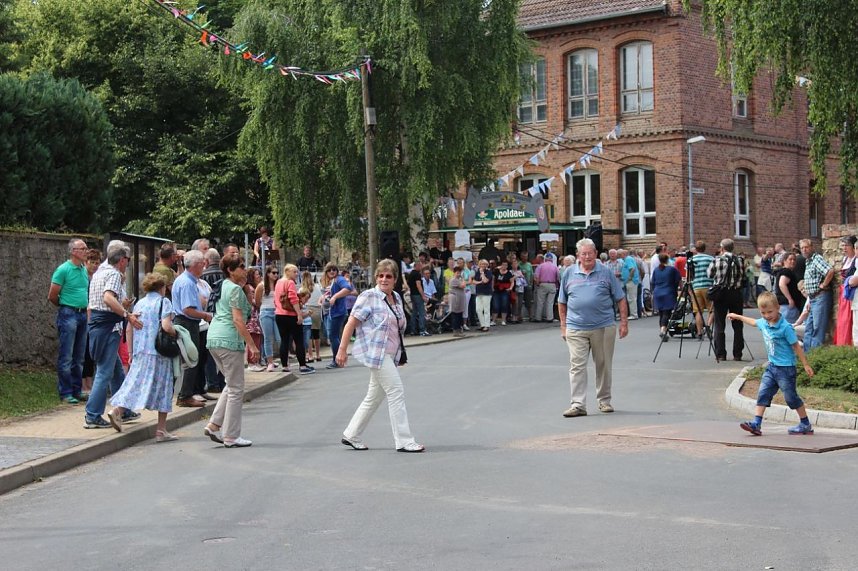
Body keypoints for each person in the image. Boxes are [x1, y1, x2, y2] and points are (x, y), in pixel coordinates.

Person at [337, 259, 424, 453]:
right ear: (376, 277)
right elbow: (351, 323)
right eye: (380, 275)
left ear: (394, 280)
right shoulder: (369, 296)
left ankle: (351, 434)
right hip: (376, 354)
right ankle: (404, 440)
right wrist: (342, 349)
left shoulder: (396, 298)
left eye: (389, 276)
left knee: (374, 396)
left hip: (390, 354)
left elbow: (397, 329)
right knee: (396, 392)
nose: (384, 279)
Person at [558, 238, 628, 417]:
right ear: (578, 256)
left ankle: (604, 400)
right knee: (577, 365)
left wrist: (623, 323)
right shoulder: (568, 273)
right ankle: (578, 404)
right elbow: (562, 302)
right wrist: (563, 326)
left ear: (596, 254)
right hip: (575, 327)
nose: (587, 256)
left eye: (590, 253)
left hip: (603, 326)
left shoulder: (606, 273)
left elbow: (620, 298)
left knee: (603, 365)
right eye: (584, 254)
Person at [729, 292, 815, 436]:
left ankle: (805, 423)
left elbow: (796, 346)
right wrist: (737, 316)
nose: (767, 315)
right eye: (763, 313)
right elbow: (753, 322)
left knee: (791, 398)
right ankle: (756, 424)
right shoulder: (764, 323)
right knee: (763, 393)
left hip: (786, 369)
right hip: (772, 367)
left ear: (778, 308)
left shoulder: (786, 327)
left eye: (770, 312)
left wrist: (805, 364)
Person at [107, 273, 179, 442]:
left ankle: (117, 410)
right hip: (159, 352)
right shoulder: (164, 302)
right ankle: (161, 430)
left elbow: (130, 329)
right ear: (161, 287)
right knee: (164, 388)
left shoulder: (140, 303)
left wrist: (131, 352)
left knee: (136, 383)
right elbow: (166, 326)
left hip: (140, 351)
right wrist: (178, 333)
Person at [203, 254, 260, 448]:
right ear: (230, 270)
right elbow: (237, 320)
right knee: (236, 388)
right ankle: (231, 435)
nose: (245, 270)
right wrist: (252, 345)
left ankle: (214, 424)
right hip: (229, 340)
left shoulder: (222, 285)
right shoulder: (234, 289)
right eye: (241, 267)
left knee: (231, 383)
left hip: (214, 338)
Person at [84, 245, 143, 428]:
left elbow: (98, 303)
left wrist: (121, 307)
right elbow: (108, 298)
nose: (128, 264)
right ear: (122, 260)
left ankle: (123, 409)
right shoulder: (115, 275)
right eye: (128, 260)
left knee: (116, 370)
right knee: (104, 372)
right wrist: (127, 314)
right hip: (108, 328)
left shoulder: (99, 273)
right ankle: (92, 415)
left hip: (99, 327)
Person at [48, 238, 90, 404]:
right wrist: (66, 306)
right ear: (73, 251)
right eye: (83, 248)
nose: (86, 251)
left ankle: (76, 389)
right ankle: (65, 392)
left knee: (79, 356)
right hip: (69, 313)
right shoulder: (63, 269)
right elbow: (52, 295)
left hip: (82, 314)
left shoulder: (83, 269)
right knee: (66, 355)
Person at [171, 250, 212, 407]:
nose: (204, 266)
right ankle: (185, 395)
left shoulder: (187, 280)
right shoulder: (187, 283)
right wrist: (206, 315)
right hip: (187, 323)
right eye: (202, 263)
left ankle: (186, 393)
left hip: (186, 322)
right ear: (195, 265)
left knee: (191, 358)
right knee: (191, 359)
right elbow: (188, 310)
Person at [706, 238, 747, 362]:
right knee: (738, 324)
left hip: (721, 294)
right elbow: (743, 276)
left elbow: (709, 274)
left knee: (719, 324)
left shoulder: (717, 260)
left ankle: (720, 353)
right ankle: (737, 353)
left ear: (722, 248)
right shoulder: (740, 260)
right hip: (735, 293)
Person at [274, 264, 315, 375]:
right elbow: (293, 299)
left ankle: (285, 366)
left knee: (285, 340)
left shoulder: (278, 282)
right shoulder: (289, 282)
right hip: (290, 315)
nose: (296, 274)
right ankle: (302, 365)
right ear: (287, 271)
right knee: (299, 340)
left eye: (297, 272)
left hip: (279, 314)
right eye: (294, 272)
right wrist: (299, 314)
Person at [800, 238, 835, 350]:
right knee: (809, 329)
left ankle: (814, 358)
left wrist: (824, 285)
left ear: (812, 247)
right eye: (802, 248)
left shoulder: (816, 259)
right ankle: (806, 358)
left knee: (817, 329)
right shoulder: (808, 261)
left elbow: (830, 271)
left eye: (806, 247)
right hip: (813, 298)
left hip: (820, 296)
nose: (804, 250)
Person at [321, 262, 355, 369]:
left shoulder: (339, 279)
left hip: (337, 312)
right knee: (332, 336)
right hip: (329, 312)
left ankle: (337, 360)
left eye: (334, 269)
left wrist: (335, 296)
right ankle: (339, 358)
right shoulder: (331, 281)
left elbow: (348, 288)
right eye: (329, 270)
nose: (332, 271)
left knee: (333, 336)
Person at [255, 265, 281, 372]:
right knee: (267, 338)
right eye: (273, 273)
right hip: (266, 311)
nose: (275, 275)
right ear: (268, 274)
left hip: (277, 311)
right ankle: (270, 362)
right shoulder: (261, 286)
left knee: (279, 338)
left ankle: (281, 358)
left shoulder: (278, 285)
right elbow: (257, 301)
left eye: (276, 273)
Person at [651, 253, 681, 341]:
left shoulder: (656, 270)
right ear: (667, 260)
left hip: (657, 292)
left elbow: (653, 282)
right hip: (668, 292)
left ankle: (662, 330)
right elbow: (677, 280)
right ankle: (663, 330)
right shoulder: (672, 269)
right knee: (666, 313)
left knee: (661, 313)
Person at [834, 236, 857, 346]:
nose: (844, 248)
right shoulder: (845, 259)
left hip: (851, 293)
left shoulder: (855, 261)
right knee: (842, 321)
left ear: (853, 247)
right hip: (843, 292)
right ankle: (841, 345)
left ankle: (849, 344)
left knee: (849, 320)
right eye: (843, 245)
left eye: (847, 245)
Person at [689, 240, 715, 338]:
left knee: (698, 311)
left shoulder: (691, 259)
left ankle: (699, 332)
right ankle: (708, 325)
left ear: (696, 249)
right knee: (712, 310)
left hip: (696, 287)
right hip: (708, 286)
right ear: (705, 248)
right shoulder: (710, 259)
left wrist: (690, 288)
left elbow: (689, 275)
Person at [775, 252, 805, 325]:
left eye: (794, 260)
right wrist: (790, 299)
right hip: (787, 306)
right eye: (790, 259)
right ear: (784, 261)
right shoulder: (787, 271)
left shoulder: (782, 271)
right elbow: (782, 284)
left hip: (783, 304)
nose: (793, 261)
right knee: (789, 328)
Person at [533, 252, 559, 322]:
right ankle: (549, 318)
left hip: (542, 284)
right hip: (552, 284)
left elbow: (536, 276)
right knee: (550, 302)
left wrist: (538, 283)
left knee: (540, 302)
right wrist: (556, 285)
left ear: (545, 258)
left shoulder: (540, 266)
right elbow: (558, 277)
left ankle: (538, 317)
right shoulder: (555, 267)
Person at [405, 261, 429, 336]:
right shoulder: (417, 274)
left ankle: (413, 330)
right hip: (418, 295)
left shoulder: (411, 274)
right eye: (420, 266)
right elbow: (418, 285)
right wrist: (423, 296)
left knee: (414, 313)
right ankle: (422, 330)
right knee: (422, 312)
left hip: (412, 294)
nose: (421, 268)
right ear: (417, 266)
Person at [473, 259, 493, 331]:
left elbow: (485, 281)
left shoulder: (489, 272)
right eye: (481, 264)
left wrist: (482, 273)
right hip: (479, 293)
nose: (483, 265)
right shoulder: (477, 272)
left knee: (486, 309)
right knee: (478, 309)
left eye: (484, 264)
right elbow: (474, 281)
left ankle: (487, 325)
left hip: (487, 293)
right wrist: (479, 282)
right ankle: (482, 324)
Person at [448, 265, 467, 336]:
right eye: (457, 273)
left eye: (460, 272)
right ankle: (456, 331)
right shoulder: (454, 280)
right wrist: (463, 279)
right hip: (455, 300)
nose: (459, 274)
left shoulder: (458, 279)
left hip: (460, 299)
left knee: (459, 315)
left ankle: (459, 330)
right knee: (455, 315)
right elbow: (463, 285)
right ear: (454, 273)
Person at [492, 260, 513, 326]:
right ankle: (493, 320)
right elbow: (493, 279)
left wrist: (510, 288)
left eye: (506, 265)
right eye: (503, 265)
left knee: (504, 305)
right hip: (496, 290)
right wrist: (492, 288)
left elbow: (512, 281)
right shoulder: (496, 271)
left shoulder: (509, 273)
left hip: (505, 291)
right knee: (495, 305)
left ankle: (503, 320)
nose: (504, 266)